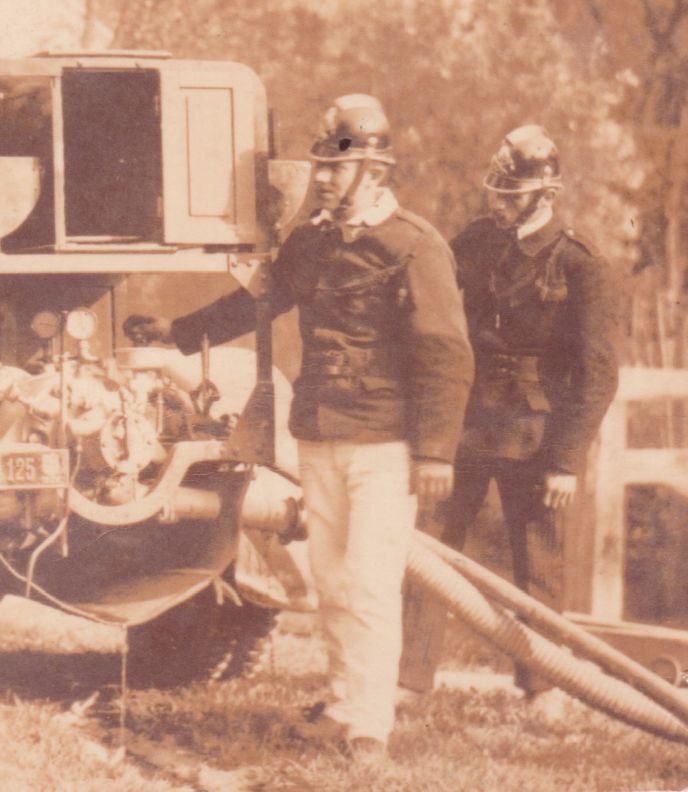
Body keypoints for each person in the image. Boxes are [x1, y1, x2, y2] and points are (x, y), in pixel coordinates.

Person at [125, 94, 473, 761]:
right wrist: (177, 333)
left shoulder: (414, 246)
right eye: (321, 167)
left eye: (337, 170)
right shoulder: (310, 241)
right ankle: (343, 704)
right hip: (317, 432)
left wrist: (436, 451)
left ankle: (369, 725)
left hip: (387, 443)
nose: (322, 179)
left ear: (375, 172)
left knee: (370, 580)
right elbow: (260, 302)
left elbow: (446, 355)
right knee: (333, 580)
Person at [397, 125, 621, 711]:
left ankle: (542, 689)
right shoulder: (473, 242)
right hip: (464, 424)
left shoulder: (579, 263)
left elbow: (597, 374)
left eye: (511, 195)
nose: (497, 203)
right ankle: (410, 682)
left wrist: (568, 461)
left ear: (545, 195)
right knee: (428, 551)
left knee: (539, 566)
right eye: (496, 192)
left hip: (536, 435)